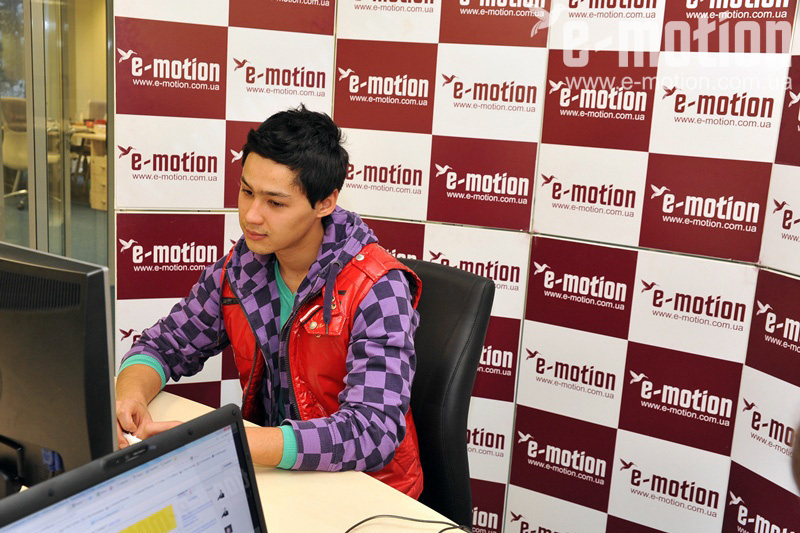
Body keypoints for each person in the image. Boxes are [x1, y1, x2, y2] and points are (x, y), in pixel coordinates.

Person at [115, 106, 423, 497]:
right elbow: (163, 345)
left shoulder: (377, 286)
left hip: (368, 493)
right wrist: (128, 397)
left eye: (275, 203)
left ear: (325, 203)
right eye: (247, 192)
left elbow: (372, 432)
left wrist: (229, 441)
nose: (251, 216)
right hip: (278, 477)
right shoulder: (242, 267)